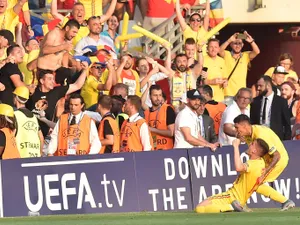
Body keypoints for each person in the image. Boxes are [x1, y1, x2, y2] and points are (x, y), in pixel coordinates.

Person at [234, 114, 295, 211]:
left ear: (245, 126)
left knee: (257, 182)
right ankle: (241, 203)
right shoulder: (248, 135)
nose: (236, 131)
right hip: (265, 160)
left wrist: (266, 170)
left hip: (278, 160)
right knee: (249, 178)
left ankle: (286, 201)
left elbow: (277, 155)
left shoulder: (261, 135)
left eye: (237, 128)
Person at [195, 138, 268, 213]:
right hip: (238, 199)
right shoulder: (260, 163)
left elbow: (238, 167)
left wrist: (236, 147)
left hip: (232, 197)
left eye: (252, 144)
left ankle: (231, 207)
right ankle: (233, 207)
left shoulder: (252, 164)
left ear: (254, 151)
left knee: (199, 208)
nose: (249, 144)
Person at [26, 62, 89, 137]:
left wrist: (85, 70)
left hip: (45, 134)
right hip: (29, 132)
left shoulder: (56, 92)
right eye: (49, 79)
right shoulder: (32, 91)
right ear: (42, 81)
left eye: (53, 79)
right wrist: (27, 88)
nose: (53, 82)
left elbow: (77, 85)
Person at [219, 31, 260, 105]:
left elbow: (257, 51)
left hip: (241, 94)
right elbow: (219, 50)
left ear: (243, 45)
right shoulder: (227, 54)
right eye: (235, 43)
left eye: (240, 43)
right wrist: (229, 40)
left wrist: (251, 41)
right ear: (231, 45)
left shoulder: (245, 55)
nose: (237, 46)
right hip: (228, 93)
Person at [51, 0, 117, 46]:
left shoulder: (89, 23)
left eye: (81, 10)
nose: (79, 12)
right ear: (72, 13)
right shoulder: (68, 22)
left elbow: (108, 14)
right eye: (77, 10)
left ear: (84, 13)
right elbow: (54, 13)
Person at [250, 76, 291, 140]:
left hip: (276, 138)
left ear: (268, 85)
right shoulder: (255, 101)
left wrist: (286, 141)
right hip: (259, 138)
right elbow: (252, 122)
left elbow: (287, 124)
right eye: (257, 86)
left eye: (261, 86)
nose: (258, 88)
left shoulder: (281, 101)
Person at [13, 86, 43, 158]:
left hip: (20, 156)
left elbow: (11, 136)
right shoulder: (33, 117)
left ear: (15, 98)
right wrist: (40, 153)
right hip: (35, 156)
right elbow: (41, 137)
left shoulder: (15, 115)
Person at [144, 85, 175, 150]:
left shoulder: (168, 109)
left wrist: (152, 129)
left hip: (166, 150)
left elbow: (171, 132)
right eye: (155, 95)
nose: (158, 98)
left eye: (160, 95)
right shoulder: (146, 112)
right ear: (150, 97)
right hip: (151, 150)